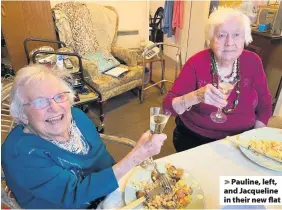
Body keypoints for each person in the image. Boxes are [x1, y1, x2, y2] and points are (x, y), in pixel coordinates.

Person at [1, 65, 167, 209]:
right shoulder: (20, 154)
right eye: (39, 102)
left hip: (108, 195)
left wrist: (121, 185)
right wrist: (135, 157)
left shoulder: (77, 116)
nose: (54, 107)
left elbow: (103, 158)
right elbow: (73, 194)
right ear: (22, 115)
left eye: (59, 96)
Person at [163, 7, 272, 152]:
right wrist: (196, 96)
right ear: (210, 39)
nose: (229, 42)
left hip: (242, 139)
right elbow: (167, 107)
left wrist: (255, 139)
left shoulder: (253, 61)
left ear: (245, 38)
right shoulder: (196, 63)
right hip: (196, 139)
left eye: (236, 35)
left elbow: (265, 104)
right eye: (221, 35)